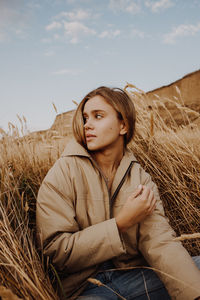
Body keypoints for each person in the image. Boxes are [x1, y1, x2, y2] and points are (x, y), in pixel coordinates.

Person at [36, 86, 200, 300]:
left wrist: (193, 294)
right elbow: (57, 252)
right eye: (85, 118)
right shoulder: (63, 172)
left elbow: (160, 242)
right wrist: (120, 224)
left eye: (98, 116)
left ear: (123, 125)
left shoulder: (140, 179)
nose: (87, 125)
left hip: (134, 278)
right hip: (84, 290)